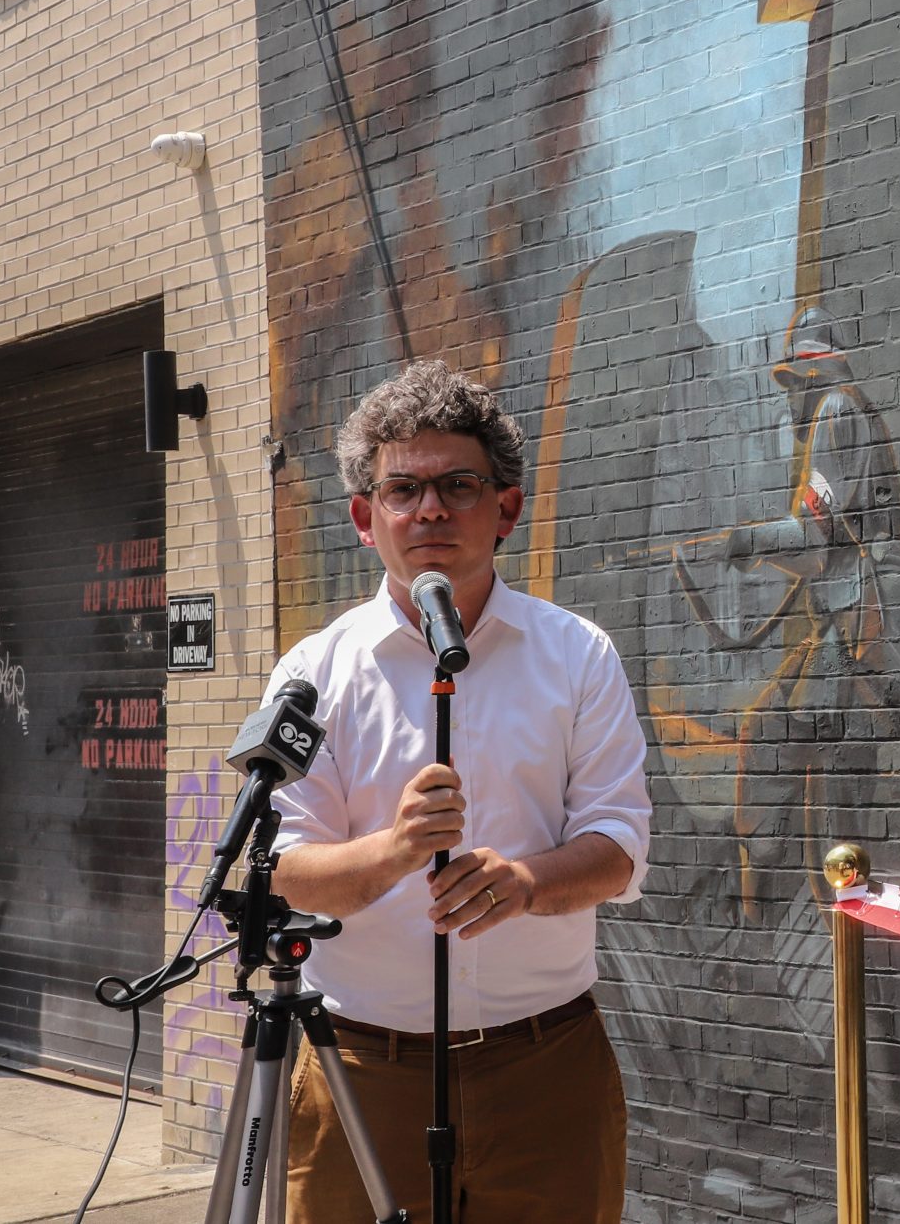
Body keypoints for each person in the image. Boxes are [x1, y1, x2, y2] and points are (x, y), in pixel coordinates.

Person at [265, 359, 651, 1224]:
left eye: (458, 485)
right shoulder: (312, 673)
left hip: (545, 1069)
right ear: (366, 518)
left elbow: (619, 845)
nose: (430, 509)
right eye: (402, 489)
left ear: (505, 509)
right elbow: (284, 868)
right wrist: (395, 849)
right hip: (361, 1071)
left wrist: (524, 883)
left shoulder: (578, 656)